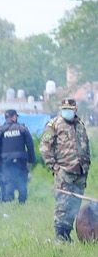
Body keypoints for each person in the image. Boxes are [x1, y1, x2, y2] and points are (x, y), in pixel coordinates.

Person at [40, 99, 91, 242]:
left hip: (80, 172)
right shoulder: (54, 124)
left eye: (70, 108)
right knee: (63, 204)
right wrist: (54, 166)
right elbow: (45, 146)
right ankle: (60, 236)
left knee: (75, 204)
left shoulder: (80, 125)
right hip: (64, 171)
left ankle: (67, 234)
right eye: (64, 108)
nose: (67, 111)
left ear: (75, 109)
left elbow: (86, 146)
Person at [0, 109, 35, 204]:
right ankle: (22, 202)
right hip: (21, 160)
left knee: (8, 181)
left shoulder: (0, 131)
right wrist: (31, 160)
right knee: (22, 181)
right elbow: (30, 145)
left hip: (6, 161)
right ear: (14, 117)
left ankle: (9, 202)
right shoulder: (22, 129)